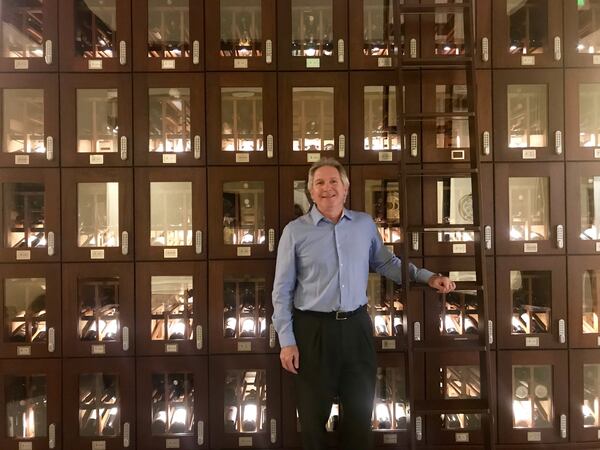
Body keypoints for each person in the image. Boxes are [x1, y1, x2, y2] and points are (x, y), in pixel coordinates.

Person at [272, 157, 456, 450]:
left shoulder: (363, 224)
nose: (327, 188)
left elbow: (387, 263)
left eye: (334, 181)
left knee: (359, 417)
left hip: (356, 328)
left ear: (345, 188)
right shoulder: (295, 232)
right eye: (319, 182)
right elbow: (281, 290)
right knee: (312, 419)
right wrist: (287, 341)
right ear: (310, 191)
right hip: (312, 332)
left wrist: (427, 277)